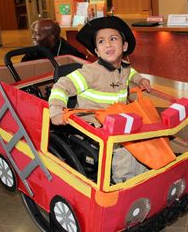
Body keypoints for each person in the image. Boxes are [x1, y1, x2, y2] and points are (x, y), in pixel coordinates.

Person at [48, 16, 151, 183]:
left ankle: (144, 173)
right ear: (96, 51)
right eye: (101, 42)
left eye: (113, 39)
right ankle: (125, 183)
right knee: (125, 146)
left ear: (124, 46)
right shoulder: (91, 72)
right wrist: (56, 110)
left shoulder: (124, 66)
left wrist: (139, 80)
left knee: (145, 134)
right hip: (92, 124)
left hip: (118, 118)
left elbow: (130, 73)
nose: (108, 44)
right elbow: (62, 85)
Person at [21, 18, 86, 61]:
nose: (33, 37)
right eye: (34, 33)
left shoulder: (70, 54)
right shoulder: (35, 50)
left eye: (38, 34)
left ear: (51, 37)